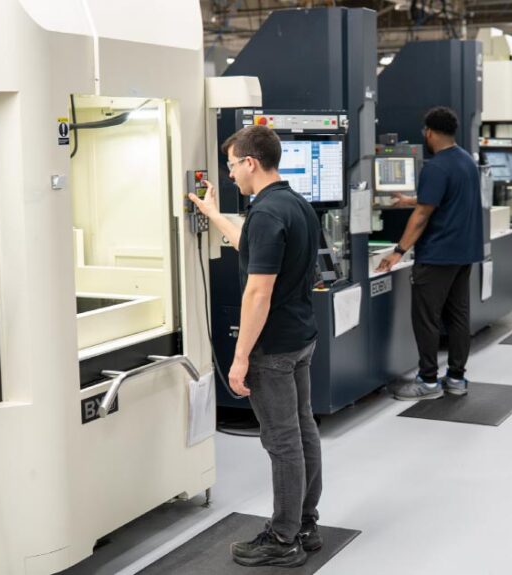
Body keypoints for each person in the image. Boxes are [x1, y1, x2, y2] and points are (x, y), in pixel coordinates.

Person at [190, 126, 323, 568]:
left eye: (231, 165)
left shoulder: (267, 213)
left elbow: (257, 292)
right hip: (302, 337)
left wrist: (241, 357)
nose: (229, 175)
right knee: (302, 430)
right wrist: (213, 213)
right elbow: (252, 247)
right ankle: (305, 523)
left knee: (282, 440)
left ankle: (283, 538)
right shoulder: (295, 204)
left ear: (250, 162)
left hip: (275, 348)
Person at [377, 107, 484, 400]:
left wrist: (399, 251)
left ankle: (427, 381)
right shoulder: (465, 161)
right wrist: (409, 200)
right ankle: (457, 379)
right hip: (463, 255)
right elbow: (444, 199)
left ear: (429, 132)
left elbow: (423, 215)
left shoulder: (436, 167)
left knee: (426, 319)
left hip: (437, 256)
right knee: (459, 316)